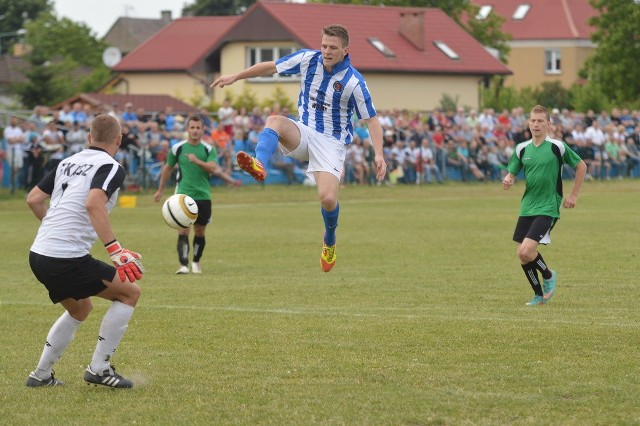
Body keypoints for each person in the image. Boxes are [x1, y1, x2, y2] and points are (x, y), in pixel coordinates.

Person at [211, 24, 386, 272]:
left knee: (327, 199)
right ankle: (260, 163)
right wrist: (236, 76)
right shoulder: (307, 59)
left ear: (345, 50)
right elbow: (271, 66)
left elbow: (372, 120)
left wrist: (379, 154)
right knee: (274, 121)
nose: (326, 51)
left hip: (331, 143)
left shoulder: (354, 82)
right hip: (303, 132)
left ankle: (330, 239)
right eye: (324, 45)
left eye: (333, 48)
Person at [25, 114, 145, 388]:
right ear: (119, 139)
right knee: (130, 293)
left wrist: (54, 228)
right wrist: (116, 250)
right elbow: (94, 203)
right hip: (65, 258)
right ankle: (100, 369)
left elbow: (33, 199)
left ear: (90, 138)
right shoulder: (112, 166)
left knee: (80, 309)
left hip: (39, 254)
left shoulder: (67, 162)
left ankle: (41, 375)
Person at [503, 105, 586, 306]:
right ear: (528, 123)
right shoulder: (522, 149)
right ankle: (538, 295)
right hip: (527, 206)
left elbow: (581, 165)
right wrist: (509, 179)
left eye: (540, 121)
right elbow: (512, 173)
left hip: (548, 206)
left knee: (526, 251)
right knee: (522, 255)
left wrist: (573, 195)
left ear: (548, 124)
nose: (536, 124)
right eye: (533, 120)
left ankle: (548, 275)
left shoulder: (557, 147)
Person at [154, 116, 239, 275]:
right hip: (183, 196)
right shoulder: (177, 148)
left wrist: (198, 161)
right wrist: (160, 190)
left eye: (198, 128)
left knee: (200, 231)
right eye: (192, 127)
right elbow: (168, 168)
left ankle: (196, 262)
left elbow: (213, 167)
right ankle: (183, 265)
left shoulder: (208, 149)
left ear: (202, 130)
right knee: (183, 230)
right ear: (187, 129)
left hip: (203, 196)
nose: (195, 130)